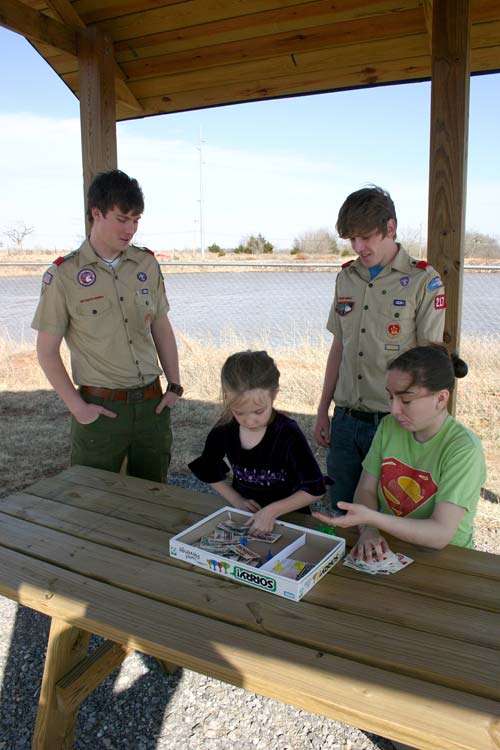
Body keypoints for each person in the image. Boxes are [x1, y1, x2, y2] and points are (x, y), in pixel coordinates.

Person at [32, 169, 182, 483]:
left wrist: (174, 386)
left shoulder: (146, 264)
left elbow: (161, 327)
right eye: (122, 218)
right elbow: (46, 351)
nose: (130, 229)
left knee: (154, 498)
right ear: (96, 214)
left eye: (136, 219)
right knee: (92, 500)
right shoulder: (65, 275)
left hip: (152, 406)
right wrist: (77, 407)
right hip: (100, 409)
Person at [314, 185, 446, 510]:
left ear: (390, 228)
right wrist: (322, 409)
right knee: (342, 510)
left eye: (366, 237)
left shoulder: (423, 281)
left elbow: (430, 362)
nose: (358, 247)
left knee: (391, 518)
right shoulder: (346, 278)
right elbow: (339, 348)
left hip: (392, 422)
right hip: (345, 419)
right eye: (351, 239)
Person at [313, 344, 486, 560]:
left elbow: (440, 533)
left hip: (447, 557)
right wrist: (368, 530)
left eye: (406, 400)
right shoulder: (389, 427)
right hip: (389, 546)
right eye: (391, 397)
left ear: (441, 399)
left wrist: (373, 520)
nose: (394, 409)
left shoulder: (463, 448)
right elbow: (365, 490)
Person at [189, 350, 326, 536]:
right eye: (239, 412)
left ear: (274, 395)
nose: (249, 421)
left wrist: (271, 511)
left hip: (290, 518)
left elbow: (315, 489)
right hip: (245, 518)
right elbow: (208, 466)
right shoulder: (225, 427)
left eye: (258, 412)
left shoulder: (287, 433)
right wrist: (236, 499)